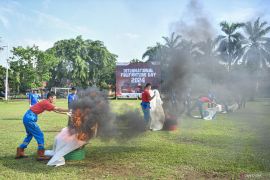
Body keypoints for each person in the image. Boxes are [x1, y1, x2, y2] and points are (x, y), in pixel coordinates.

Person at [15, 91, 69, 161]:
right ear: (50, 98)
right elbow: (57, 109)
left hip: (27, 117)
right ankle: (41, 154)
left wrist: (66, 113)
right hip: (30, 118)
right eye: (54, 98)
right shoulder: (46, 103)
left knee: (29, 135)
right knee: (40, 135)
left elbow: (55, 110)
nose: (55, 100)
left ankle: (20, 151)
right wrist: (70, 109)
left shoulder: (45, 102)